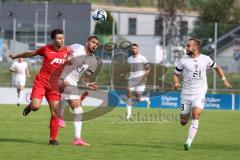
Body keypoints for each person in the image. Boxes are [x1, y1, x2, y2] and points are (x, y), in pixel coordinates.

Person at [10, 29, 71, 145]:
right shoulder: (46, 49)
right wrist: (16, 56)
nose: (62, 40)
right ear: (53, 39)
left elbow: (76, 58)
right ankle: (30, 106)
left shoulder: (68, 50)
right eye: (59, 38)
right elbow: (30, 53)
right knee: (36, 106)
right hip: (41, 82)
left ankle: (53, 139)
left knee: (56, 112)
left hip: (54, 85)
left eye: (62, 38)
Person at [172, 38, 232, 150]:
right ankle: (188, 115)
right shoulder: (183, 60)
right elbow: (175, 74)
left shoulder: (206, 59)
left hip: (199, 93)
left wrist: (224, 78)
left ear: (195, 47)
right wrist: (176, 83)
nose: (186, 48)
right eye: (186, 45)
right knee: (183, 121)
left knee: (196, 115)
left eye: (188, 46)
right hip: (186, 94)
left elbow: (217, 67)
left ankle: (188, 143)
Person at [57, 36, 100, 146]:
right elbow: (61, 52)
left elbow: (85, 79)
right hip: (61, 77)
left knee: (78, 111)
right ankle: (60, 116)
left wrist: (89, 84)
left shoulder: (93, 61)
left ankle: (77, 138)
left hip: (73, 83)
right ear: (87, 42)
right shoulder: (76, 47)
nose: (95, 45)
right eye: (93, 42)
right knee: (72, 96)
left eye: (97, 44)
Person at [126, 43, 150, 120]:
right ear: (131, 49)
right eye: (132, 48)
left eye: (135, 48)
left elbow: (148, 69)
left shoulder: (142, 58)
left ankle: (146, 99)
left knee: (138, 99)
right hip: (132, 80)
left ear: (138, 49)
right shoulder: (129, 59)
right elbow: (129, 70)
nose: (133, 50)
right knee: (129, 95)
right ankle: (129, 115)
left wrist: (144, 77)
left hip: (140, 81)